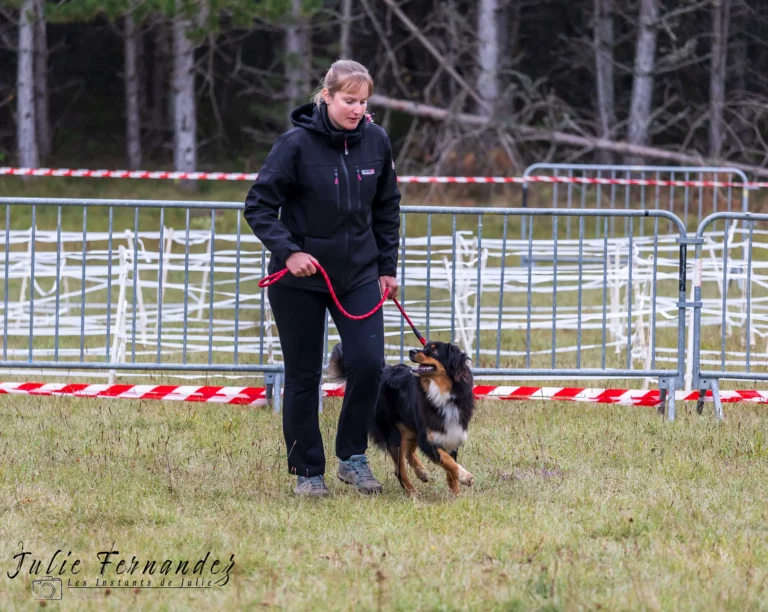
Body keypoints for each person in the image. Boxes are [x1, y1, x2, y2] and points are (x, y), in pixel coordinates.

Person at [243, 60, 402, 496]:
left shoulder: (377, 141)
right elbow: (258, 206)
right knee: (304, 374)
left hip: (359, 274)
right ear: (326, 96)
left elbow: (387, 208)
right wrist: (289, 252)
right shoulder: (294, 145)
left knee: (368, 365)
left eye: (363, 101)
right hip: (299, 279)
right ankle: (308, 471)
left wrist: (387, 267)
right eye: (349, 100)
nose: (357, 109)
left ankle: (353, 457)